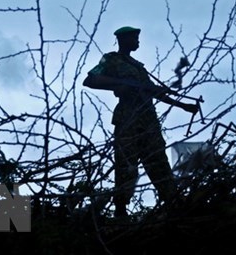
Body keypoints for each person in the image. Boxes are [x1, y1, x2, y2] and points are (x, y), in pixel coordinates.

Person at [83, 26, 199, 218]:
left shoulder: (139, 67)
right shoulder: (111, 59)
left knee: (159, 162)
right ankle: (121, 210)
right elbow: (91, 80)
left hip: (149, 122)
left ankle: (173, 205)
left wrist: (183, 106)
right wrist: (119, 85)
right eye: (134, 38)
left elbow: (153, 91)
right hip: (128, 120)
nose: (137, 42)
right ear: (123, 39)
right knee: (126, 166)